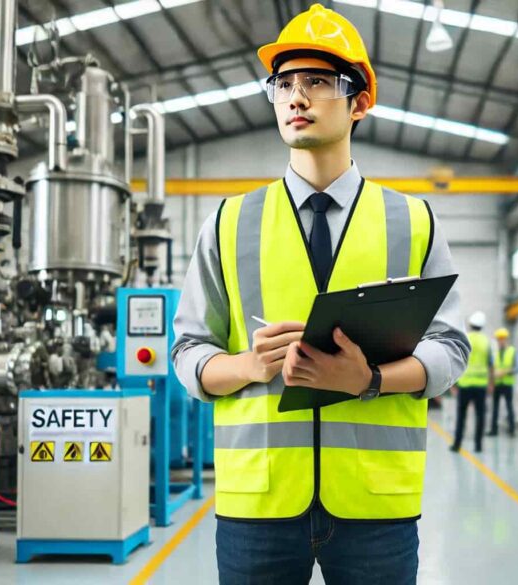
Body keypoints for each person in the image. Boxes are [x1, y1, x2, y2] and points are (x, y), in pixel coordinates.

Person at [170, 5, 470, 584]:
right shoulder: (231, 223)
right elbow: (188, 351)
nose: (296, 98)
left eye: (317, 81)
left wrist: (370, 380)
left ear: (359, 102)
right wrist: (246, 365)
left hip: (373, 505)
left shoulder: (412, 220)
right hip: (258, 504)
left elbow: (451, 347)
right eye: (283, 84)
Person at [451, 311, 492, 453]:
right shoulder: (486, 341)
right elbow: (490, 364)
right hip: (481, 385)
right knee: (480, 416)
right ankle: (478, 445)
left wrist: (453, 383)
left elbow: (457, 361)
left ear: (470, 324)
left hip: (465, 384)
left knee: (461, 415)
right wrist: (491, 384)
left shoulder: (465, 338)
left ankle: (457, 444)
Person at [487, 327, 517, 437]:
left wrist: (504, 372)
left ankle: (512, 429)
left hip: (507, 384)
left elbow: (517, 367)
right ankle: (493, 430)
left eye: (502, 339)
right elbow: (491, 368)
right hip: (496, 384)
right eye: (499, 339)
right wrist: (491, 382)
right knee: (495, 407)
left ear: (506, 339)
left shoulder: (512, 351)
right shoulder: (494, 353)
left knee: (509, 406)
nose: (500, 341)